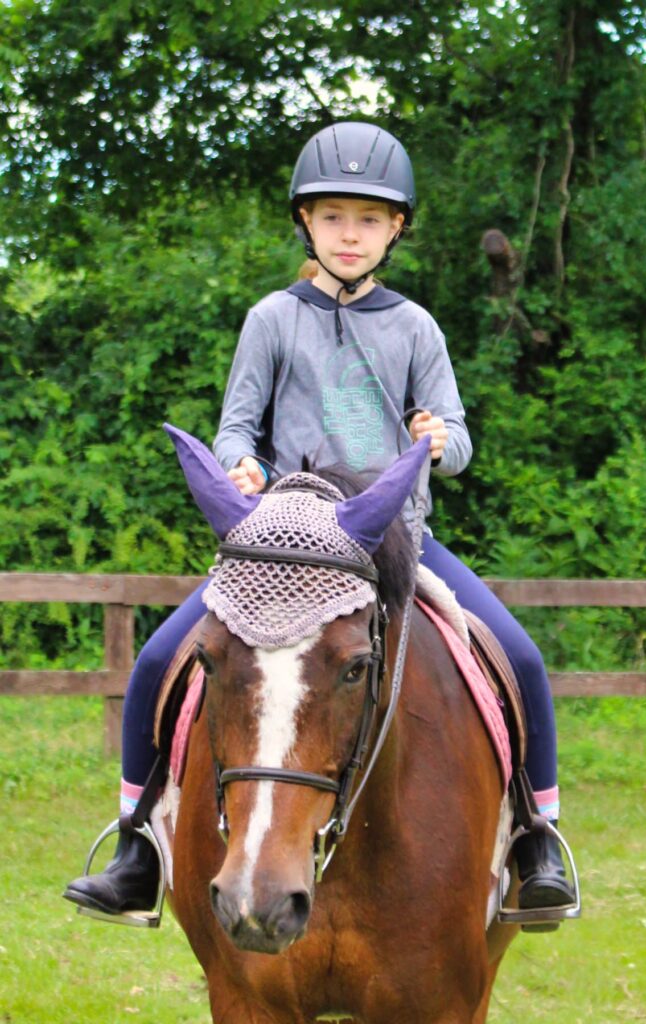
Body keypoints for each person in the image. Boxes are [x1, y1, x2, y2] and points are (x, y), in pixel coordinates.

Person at [64, 121, 576, 923]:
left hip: (395, 542)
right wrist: (242, 464)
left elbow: (461, 442)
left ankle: (536, 840)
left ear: (395, 229)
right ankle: (136, 847)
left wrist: (439, 441)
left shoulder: (415, 327)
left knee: (521, 657)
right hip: (282, 546)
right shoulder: (272, 317)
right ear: (306, 221)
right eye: (332, 215)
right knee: (157, 661)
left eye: (368, 219)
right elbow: (237, 425)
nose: (349, 233)